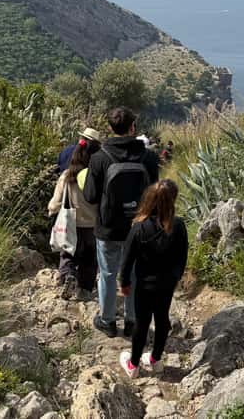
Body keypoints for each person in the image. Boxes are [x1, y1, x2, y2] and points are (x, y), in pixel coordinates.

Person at [84, 107, 159, 338]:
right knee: (135, 273)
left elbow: (90, 196)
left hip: (108, 228)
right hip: (139, 227)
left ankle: (107, 321)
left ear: (110, 128)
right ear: (133, 128)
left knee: (107, 273)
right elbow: (154, 193)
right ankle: (132, 320)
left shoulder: (99, 158)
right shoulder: (148, 157)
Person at [118, 179, 188, 378]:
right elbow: (182, 258)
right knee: (162, 319)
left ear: (149, 200)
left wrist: (124, 282)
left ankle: (133, 364)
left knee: (142, 322)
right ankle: (156, 359)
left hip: (145, 285)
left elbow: (127, 259)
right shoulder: (179, 226)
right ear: (173, 200)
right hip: (166, 283)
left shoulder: (139, 228)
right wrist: (176, 278)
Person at [48, 128, 102, 300]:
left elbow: (55, 203)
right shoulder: (98, 176)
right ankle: (85, 289)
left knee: (68, 255)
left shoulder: (67, 175)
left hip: (72, 223)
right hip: (93, 226)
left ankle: (68, 277)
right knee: (89, 260)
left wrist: (51, 210)